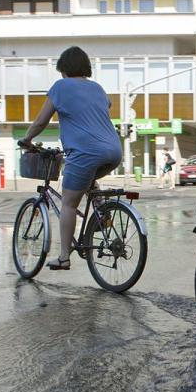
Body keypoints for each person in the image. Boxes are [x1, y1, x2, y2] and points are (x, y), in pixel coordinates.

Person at [20, 46, 122, 270]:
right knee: (87, 181)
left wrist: (27, 139)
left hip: (85, 152)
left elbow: (41, 121)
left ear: (64, 69)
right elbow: (107, 105)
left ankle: (64, 257)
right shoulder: (97, 88)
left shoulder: (60, 87)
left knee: (68, 203)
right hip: (114, 151)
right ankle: (101, 212)